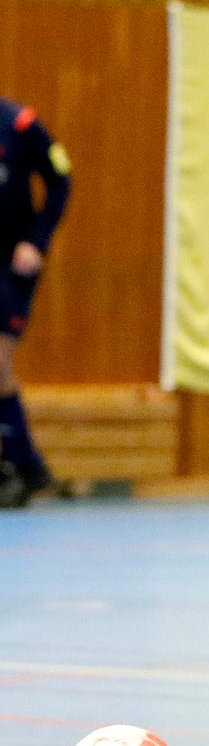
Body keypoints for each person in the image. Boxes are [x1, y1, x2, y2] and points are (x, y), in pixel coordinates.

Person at [0, 97, 70, 509]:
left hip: (12, 264)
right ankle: (30, 468)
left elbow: (61, 177)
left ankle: (16, 467)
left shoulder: (20, 124)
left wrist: (37, 241)